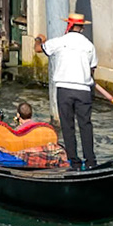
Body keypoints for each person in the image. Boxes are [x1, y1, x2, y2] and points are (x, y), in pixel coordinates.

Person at [33, 15, 98, 170]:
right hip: (83, 90)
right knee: (85, 125)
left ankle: (74, 163)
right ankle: (90, 162)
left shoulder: (59, 42)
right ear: (82, 28)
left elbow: (37, 49)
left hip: (64, 90)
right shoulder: (89, 46)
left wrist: (39, 39)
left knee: (67, 126)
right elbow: (92, 69)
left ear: (69, 25)